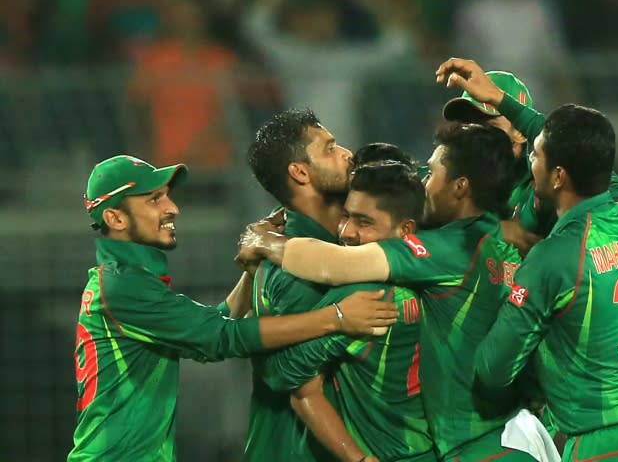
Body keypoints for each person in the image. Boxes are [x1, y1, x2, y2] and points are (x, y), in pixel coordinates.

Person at [434, 58, 618, 461]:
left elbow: (493, 369)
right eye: (464, 131)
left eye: (488, 129)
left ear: (526, 146)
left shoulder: (551, 242)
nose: (472, 142)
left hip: (590, 437)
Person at [240, 124, 544, 462]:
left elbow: (337, 265)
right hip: (516, 433)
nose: (425, 184)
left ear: (460, 187)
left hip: (477, 445)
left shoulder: (431, 258)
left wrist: (264, 241)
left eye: (433, 174)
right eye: (347, 216)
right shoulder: (503, 243)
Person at [69, 154, 397, 462]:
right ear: (115, 217)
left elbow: (212, 325)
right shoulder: (124, 287)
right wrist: (336, 318)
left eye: (167, 195)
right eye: (154, 199)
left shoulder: (124, 281)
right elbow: (222, 337)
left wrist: (251, 271)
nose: (172, 208)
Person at [263, 161, 436, 462]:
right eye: (346, 216)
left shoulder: (367, 296)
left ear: (405, 229)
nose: (347, 232)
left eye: (364, 222)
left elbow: (285, 377)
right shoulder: (447, 272)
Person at [244, 107, 363, 462]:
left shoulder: (329, 246)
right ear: (299, 172)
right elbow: (298, 384)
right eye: (330, 148)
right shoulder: (293, 273)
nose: (346, 154)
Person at [442, 69, 556, 255]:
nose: (474, 137)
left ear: (520, 132)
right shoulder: (446, 175)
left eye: (488, 127)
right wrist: (496, 230)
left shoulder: (543, 189)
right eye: (467, 126)